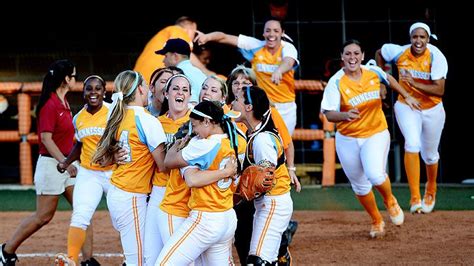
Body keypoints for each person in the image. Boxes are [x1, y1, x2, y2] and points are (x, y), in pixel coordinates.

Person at [321, 40, 420, 238]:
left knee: (375, 174)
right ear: (342, 57)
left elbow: (389, 79)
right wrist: (344, 115)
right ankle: (376, 220)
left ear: (363, 55)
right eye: (348, 54)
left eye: (356, 53)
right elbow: (329, 114)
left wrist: (406, 95)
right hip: (347, 138)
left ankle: (390, 200)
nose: (352, 58)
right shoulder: (336, 82)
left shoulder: (372, 72)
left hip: (375, 132)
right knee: (359, 184)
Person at [0, 59, 93, 266]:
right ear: (65, 79)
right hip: (52, 166)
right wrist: (65, 162)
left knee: (83, 211)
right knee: (43, 216)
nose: (75, 80)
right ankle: (6, 251)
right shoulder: (50, 104)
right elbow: (46, 139)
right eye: (74, 76)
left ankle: (88, 261)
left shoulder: (64, 102)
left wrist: (72, 162)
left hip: (68, 165)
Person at [226, 65, 300, 265]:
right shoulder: (256, 134)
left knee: (257, 260)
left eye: (238, 100)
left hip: (273, 205)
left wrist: (242, 191)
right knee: (266, 258)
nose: (233, 102)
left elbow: (266, 177)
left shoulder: (262, 140)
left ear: (248, 107)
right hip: (270, 205)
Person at [92, 70, 167, 265]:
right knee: (139, 260)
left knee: (137, 255)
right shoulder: (147, 120)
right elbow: (163, 165)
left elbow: (101, 159)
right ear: (141, 89)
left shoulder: (118, 114)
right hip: (131, 195)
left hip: (118, 190)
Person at [375, 22, 448, 214]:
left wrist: (413, 83)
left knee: (430, 154)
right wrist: (383, 80)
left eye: (422, 37)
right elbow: (380, 53)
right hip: (407, 106)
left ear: (428, 39)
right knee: (412, 144)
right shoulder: (399, 52)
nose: (418, 41)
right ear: (410, 38)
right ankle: (415, 198)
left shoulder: (436, 56)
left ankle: (431, 188)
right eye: (415, 37)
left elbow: (439, 90)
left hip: (432, 108)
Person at [156, 100, 240, 264]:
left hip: (207, 217)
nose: (193, 130)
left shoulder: (204, 144)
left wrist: (177, 144)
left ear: (207, 121)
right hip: (227, 216)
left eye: (195, 125)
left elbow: (170, 164)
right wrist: (224, 172)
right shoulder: (229, 140)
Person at [195, 17, 299, 134]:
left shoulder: (288, 48)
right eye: (268, 30)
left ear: (282, 33)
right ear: (263, 33)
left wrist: (279, 70)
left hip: (285, 106)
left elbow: (289, 62)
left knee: (285, 144)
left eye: (276, 31)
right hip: (262, 104)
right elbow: (225, 37)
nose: (271, 34)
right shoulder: (256, 45)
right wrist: (207, 37)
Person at [53, 75, 112, 266]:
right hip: (89, 173)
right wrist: (65, 162)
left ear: (104, 91)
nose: (93, 92)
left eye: (97, 88)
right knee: (80, 215)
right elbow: (79, 145)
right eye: (89, 89)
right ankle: (72, 259)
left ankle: (133, 259)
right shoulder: (78, 118)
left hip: (115, 173)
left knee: (123, 219)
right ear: (83, 92)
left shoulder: (114, 112)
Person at [143, 74, 192, 265]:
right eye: (176, 89)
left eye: (185, 90)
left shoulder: (196, 121)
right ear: (166, 93)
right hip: (160, 189)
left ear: (189, 96)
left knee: (179, 254)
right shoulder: (154, 122)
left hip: (184, 193)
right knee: (151, 255)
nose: (180, 93)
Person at [134, 16, 213, 83]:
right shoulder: (177, 30)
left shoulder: (163, 35)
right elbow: (183, 53)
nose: (193, 39)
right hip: (151, 82)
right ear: (191, 28)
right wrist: (208, 73)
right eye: (195, 33)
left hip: (139, 82)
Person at [155, 38, 207, 104]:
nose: (163, 61)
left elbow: (192, 102)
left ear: (175, 56)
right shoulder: (199, 73)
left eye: (166, 56)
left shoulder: (177, 75)